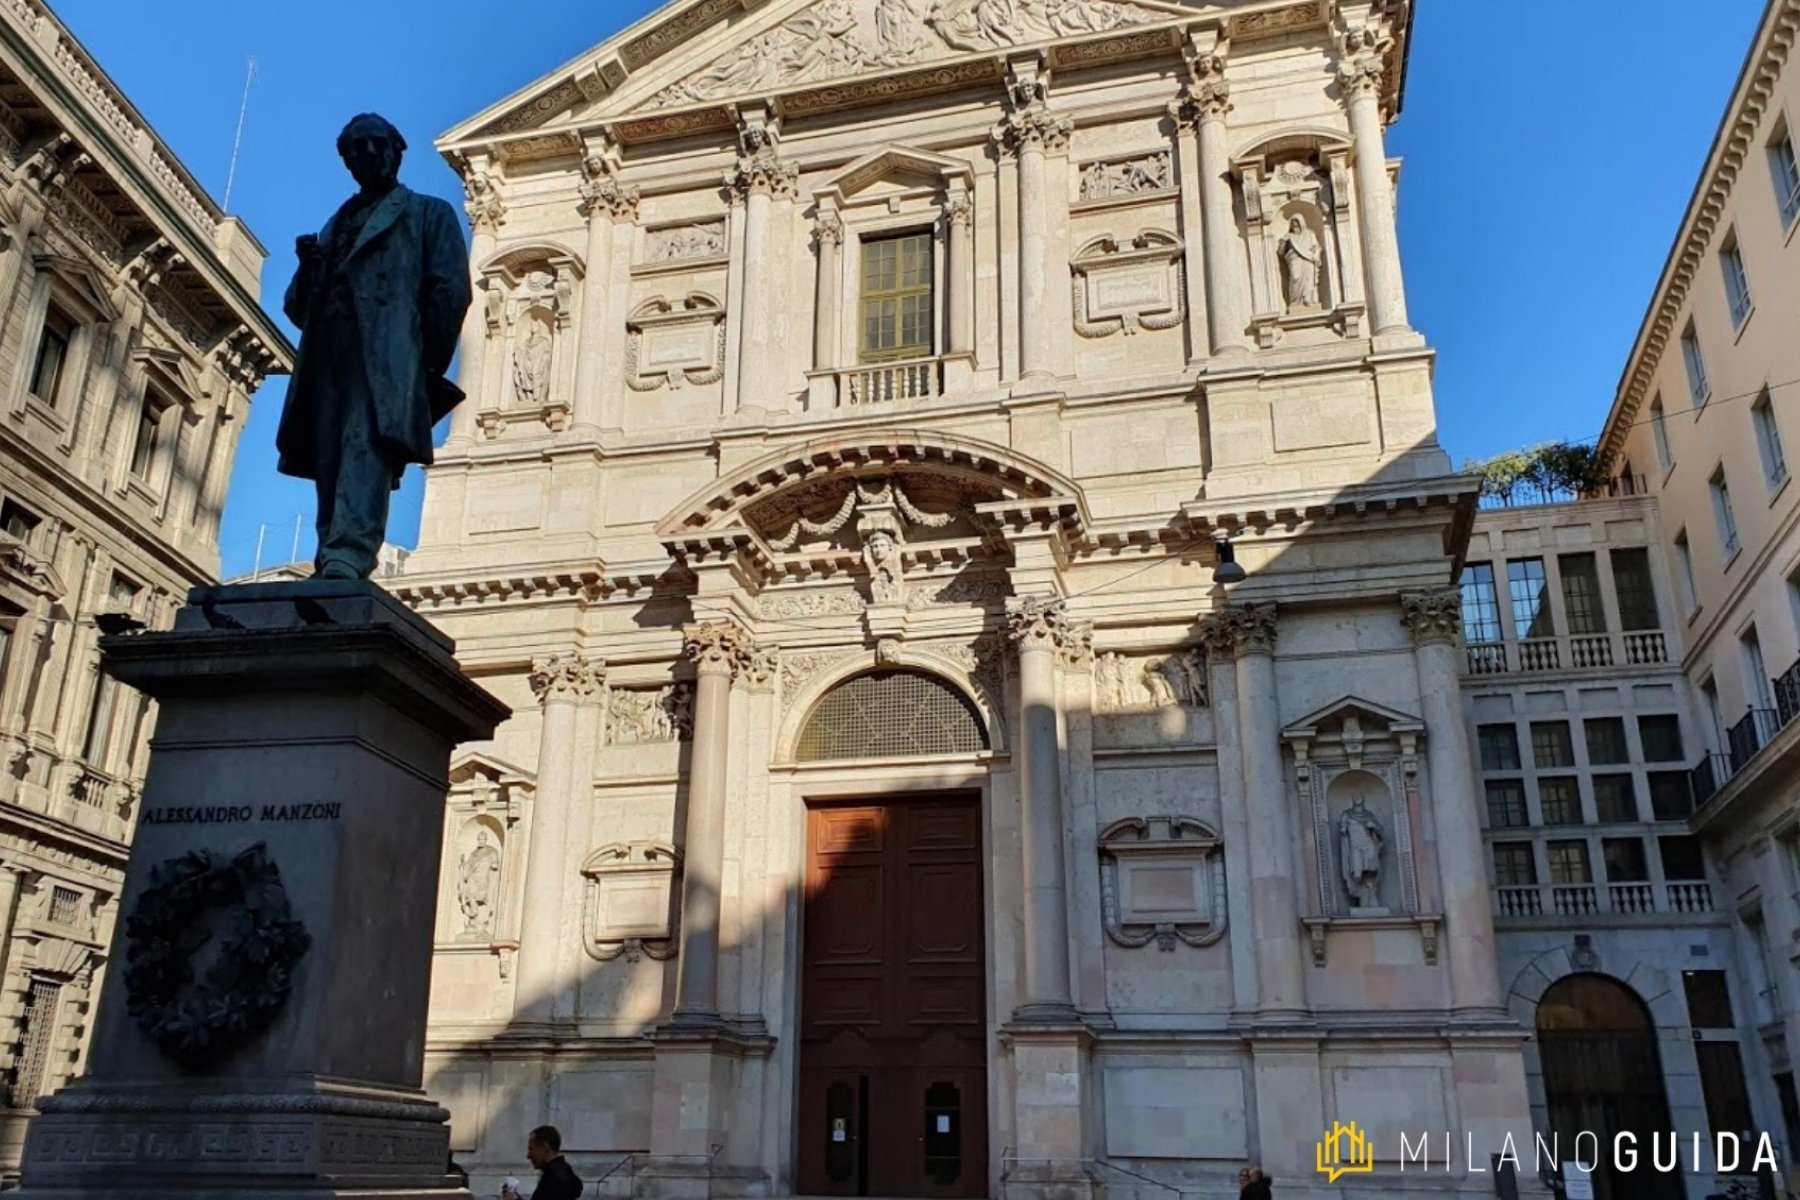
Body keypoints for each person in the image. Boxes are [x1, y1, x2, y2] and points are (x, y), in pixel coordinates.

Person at [280, 113, 472, 580]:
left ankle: (351, 551)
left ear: (397, 151)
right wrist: (309, 267)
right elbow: (297, 308)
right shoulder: (335, 224)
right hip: (329, 351)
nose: (369, 154)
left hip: (387, 356)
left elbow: (451, 290)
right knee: (329, 453)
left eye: (377, 144)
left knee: (364, 445)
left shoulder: (427, 213)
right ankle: (331, 552)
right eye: (357, 148)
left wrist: (420, 364)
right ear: (345, 160)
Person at [525, 1125, 583, 1200]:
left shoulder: (555, 1181)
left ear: (545, 1148)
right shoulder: (562, 1174)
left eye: (531, 1149)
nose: (528, 1156)